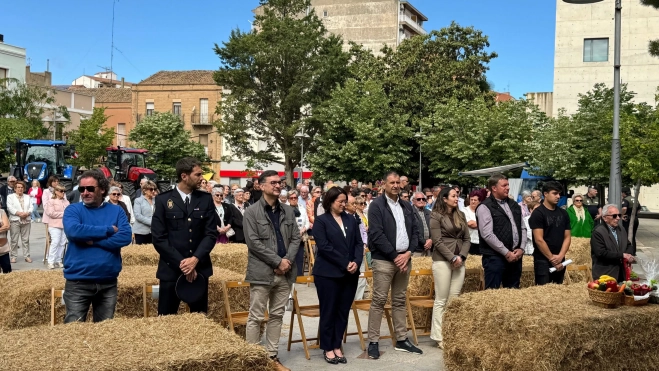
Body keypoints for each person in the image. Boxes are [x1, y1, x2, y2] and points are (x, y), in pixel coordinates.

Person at [243, 170, 300, 371]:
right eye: (273, 182)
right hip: (262, 273)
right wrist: (277, 262)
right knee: (256, 317)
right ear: (261, 185)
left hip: (285, 273)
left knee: (277, 316)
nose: (278, 185)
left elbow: (296, 238)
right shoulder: (251, 212)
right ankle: (252, 361)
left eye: (280, 182)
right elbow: (253, 243)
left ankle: (272, 357)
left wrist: (287, 261)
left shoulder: (288, 210)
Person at [62, 169, 132, 323]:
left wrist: (93, 240)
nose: (85, 192)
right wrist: (107, 230)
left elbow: (125, 237)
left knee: (104, 333)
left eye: (90, 188)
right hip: (78, 282)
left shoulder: (116, 211)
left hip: (108, 282)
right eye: (82, 189)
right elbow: (74, 231)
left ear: (102, 189)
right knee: (72, 332)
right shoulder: (73, 210)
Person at [151, 157, 218, 316]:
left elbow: (210, 234)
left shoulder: (205, 199)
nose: (201, 178)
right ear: (184, 176)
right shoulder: (163, 200)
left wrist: (194, 260)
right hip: (171, 270)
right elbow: (159, 238)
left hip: (199, 270)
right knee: (167, 320)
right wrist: (183, 264)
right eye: (198, 174)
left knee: (199, 321)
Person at [367, 171, 421, 359]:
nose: (396, 185)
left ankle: (401, 339)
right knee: (379, 301)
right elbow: (376, 234)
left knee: (399, 300)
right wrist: (394, 256)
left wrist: (407, 254)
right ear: (384, 184)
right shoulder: (376, 205)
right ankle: (373, 341)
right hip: (384, 260)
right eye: (392, 182)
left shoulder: (406, 206)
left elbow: (415, 232)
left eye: (398, 182)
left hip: (404, 260)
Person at [312, 187, 363, 364]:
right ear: (330, 202)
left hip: (350, 273)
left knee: (342, 311)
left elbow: (358, 242)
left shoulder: (351, 219)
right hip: (328, 273)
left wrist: (356, 261)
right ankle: (327, 346)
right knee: (329, 310)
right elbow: (324, 247)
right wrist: (344, 262)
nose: (344, 204)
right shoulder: (321, 221)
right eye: (340, 201)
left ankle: (336, 344)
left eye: (345, 201)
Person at [429, 187, 470, 349]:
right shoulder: (436, 216)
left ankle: (450, 332)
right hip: (442, 261)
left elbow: (467, 239)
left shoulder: (461, 215)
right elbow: (437, 241)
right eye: (453, 196)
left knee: (454, 299)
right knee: (441, 299)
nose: (456, 198)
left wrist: (461, 257)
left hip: (460, 260)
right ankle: (439, 336)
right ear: (444, 199)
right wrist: (451, 257)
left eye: (457, 195)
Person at [477, 174, 527, 289]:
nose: (508, 188)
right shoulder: (485, 207)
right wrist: (506, 252)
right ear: (494, 188)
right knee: (492, 295)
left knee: (513, 294)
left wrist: (522, 248)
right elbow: (487, 234)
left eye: (508, 185)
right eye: (504, 185)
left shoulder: (514, 205)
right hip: (495, 258)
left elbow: (522, 228)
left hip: (515, 256)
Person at [528, 181, 571, 285]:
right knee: (544, 293)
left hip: (560, 258)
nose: (558, 196)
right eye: (555, 193)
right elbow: (539, 239)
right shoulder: (538, 213)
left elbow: (567, 237)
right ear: (545, 194)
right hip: (543, 260)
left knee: (558, 291)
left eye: (559, 194)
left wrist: (560, 256)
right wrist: (552, 259)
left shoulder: (563, 213)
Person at [591, 204, 635, 281]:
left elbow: (628, 245)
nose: (618, 218)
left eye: (619, 215)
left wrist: (629, 255)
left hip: (621, 273)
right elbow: (600, 253)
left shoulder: (621, 229)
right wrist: (622, 255)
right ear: (605, 218)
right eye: (614, 216)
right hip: (605, 274)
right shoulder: (598, 232)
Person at [7, 181, 33, 263]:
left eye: (22, 187)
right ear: (15, 188)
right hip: (15, 220)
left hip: (26, 220)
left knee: (26, 240)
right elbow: (9, 207)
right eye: (18, 187)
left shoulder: (27, 197)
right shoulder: (10, 197)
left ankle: (27, 256)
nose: (20, 189)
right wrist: (19, 213)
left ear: (24, 188)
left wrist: (27, 213)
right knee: (14, 240)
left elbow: (31, 207)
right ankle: (13, 256)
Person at [44, 184, 69, 269]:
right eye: (61, 191)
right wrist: (64, 214)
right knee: (55, 242)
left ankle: (58, 260)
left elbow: (69, 213)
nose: (63, 193)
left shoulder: (66, 201)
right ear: (56, 192)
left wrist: (64, 215)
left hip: (64, 225)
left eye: (64, 191)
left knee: (62, 243)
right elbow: (51, 213)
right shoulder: (51, 201)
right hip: (54, 225)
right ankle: (51, 261)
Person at [288, 190, 309, 276]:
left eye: (295, 198)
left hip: (300, 236)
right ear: (289, 199)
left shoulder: (302, 208)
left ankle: (299, 275)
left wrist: (303, 230)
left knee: (300, 256)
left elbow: (307, 223)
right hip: (290, 237)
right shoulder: (285, 208)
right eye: (291, 198)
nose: (293, 199)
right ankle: (290, 275)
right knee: (290, 257)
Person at [133, 180, 157, 245]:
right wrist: (152, 222)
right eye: (151, 189)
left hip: (154, 232)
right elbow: (138, 215)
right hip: (141, 232)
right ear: (145, 190)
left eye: (154, 189)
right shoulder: (138, 200)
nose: (153, 191)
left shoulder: (157, 200)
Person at [464, 189, 484, 256]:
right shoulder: (465, 211)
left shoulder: (484, 211)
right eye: (471, 199)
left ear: (479, 201)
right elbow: (471, 224)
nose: (473, 202)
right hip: (469, 241)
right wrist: (484, 224)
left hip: (481, 242)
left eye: (475, 200)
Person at [621, 187, 640, 255]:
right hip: (635, 219)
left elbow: (624, 208)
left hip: (628, 219)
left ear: (624, 193)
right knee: (633, 236)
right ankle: (633, 251)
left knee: (627, 235)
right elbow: (639, 209)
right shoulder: (635, 199)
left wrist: (621, 215)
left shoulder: (626, 200)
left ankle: (629, 252)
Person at [412, 192, 432, 257]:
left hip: (429, 247)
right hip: (416, 249)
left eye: (423, 199)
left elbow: (434, 228)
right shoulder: (409, 212)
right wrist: (424, 242)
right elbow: (414, 230)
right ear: (413, 201)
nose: (421, 201)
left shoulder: (429, 212)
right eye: (418, 199)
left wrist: (431, 240)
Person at [0, 207, 10, 273]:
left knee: (7, 269)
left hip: (2, 246)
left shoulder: (1, 211)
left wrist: (3, 226)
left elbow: (7, 226)